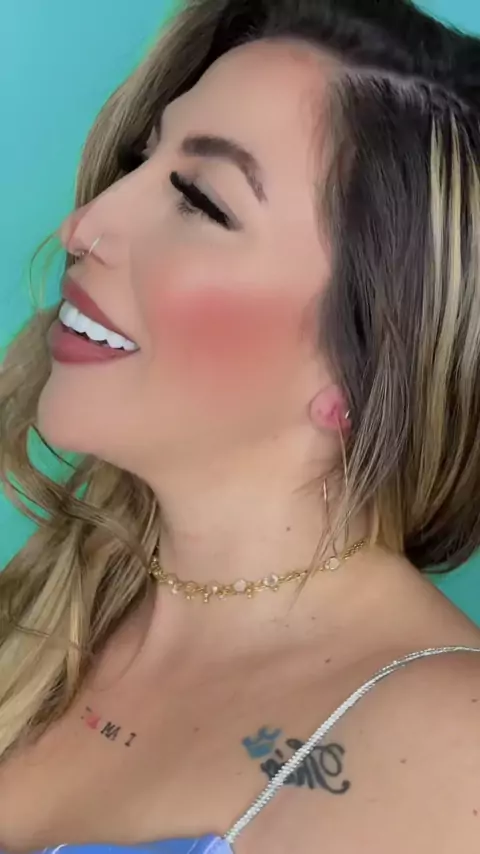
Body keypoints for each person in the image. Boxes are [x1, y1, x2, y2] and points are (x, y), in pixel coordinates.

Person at [1, 0, 480, 851]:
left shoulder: (453, 751)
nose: (85, 225)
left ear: (365, 368)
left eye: (198, 199)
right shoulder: (38, 620)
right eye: (140, 160)